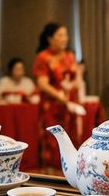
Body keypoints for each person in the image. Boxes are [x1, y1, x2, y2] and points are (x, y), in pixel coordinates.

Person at [33, 22, 85, 169]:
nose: (64, 38)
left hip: (70, 106)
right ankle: (53, 175)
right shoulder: (43, 57)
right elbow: (42, 84)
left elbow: (75, 78)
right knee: (53, 140)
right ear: (50, 38)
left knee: (72, 137)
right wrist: (63, 99)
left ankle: (72, 174)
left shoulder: (70, 56)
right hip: (52, 107)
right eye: (60, 35)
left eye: (65, 35)